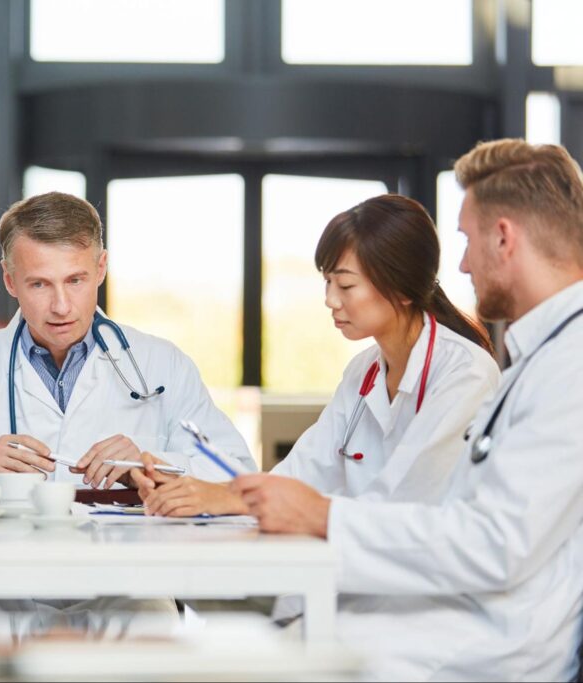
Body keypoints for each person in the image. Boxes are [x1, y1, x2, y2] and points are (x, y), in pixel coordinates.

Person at [229, 140, 583, 680]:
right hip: (457, 606)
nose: (460, 264)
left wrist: (323, 516)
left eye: (466, 240)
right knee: (269, 641)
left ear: (505, 238)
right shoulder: (544, 356)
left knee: (284, 657)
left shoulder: (566, 366)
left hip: (495, 636)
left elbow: (494, 542)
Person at [137, 194, 499, 518]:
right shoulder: (363, 372)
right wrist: (210, 492)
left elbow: (402, 501)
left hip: (425, 584)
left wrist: (232, 500)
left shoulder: (465, 374)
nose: (330, 299)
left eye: (345, 285)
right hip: (353, 574)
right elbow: (300, 472)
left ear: (403, 289)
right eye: (327, 282)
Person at [0, 191, 255, 492]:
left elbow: (237, 472)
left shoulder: (163, 364)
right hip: (9, 575)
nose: (61, 306)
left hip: (124, 575)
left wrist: (151, 463)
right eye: (39, 284)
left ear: (101, 268)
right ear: (10, 281)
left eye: (75, 280)